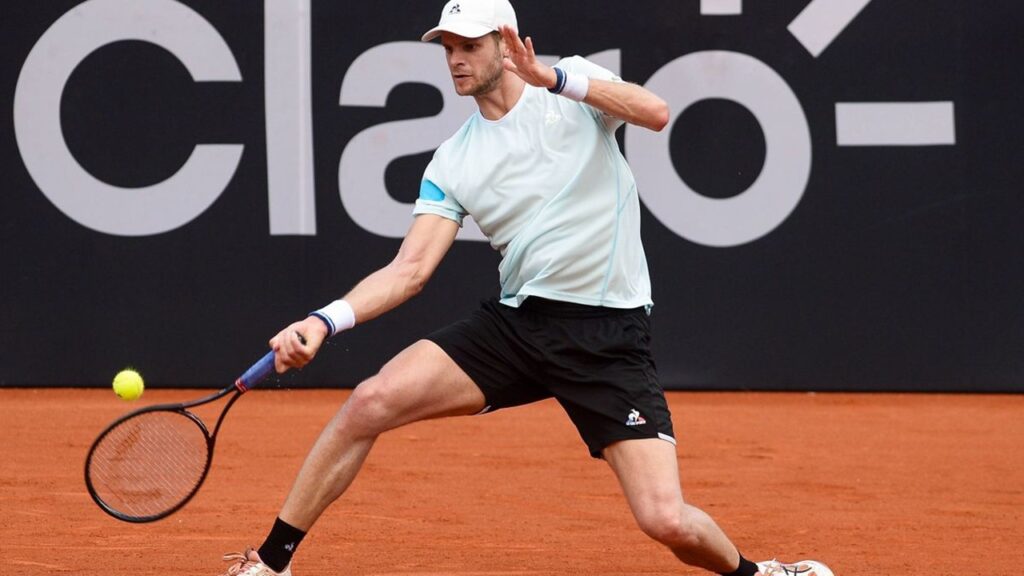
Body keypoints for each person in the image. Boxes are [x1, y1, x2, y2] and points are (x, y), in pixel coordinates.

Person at [219, 1, 833, 575]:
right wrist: (324, 321)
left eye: (469, 45)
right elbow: (410, 269)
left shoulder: (571, 91)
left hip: (607, 336)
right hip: (519, 326)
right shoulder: (453, 159)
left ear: (505, 43)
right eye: (448, 48)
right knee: (369, 401)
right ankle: (272, 562)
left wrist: (557, 79)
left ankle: (759, 573)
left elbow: (656, 112)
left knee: (664, 520)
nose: (456, 59)